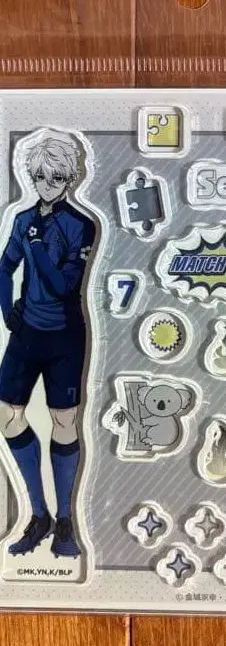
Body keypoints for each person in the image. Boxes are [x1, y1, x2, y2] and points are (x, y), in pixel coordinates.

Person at [0, 132, 95, 558]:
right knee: (7, 415)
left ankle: (65, 520)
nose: (46, 185)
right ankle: (38, 515)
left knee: (64, 421)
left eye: (55, 178)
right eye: (39, 177)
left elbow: (62, 286)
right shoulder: (23, 220)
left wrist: (37, 246)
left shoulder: (81, 225)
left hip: (65, 337)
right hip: (26, 334)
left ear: (70, 179)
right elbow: (4, 267)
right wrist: (7, 312)